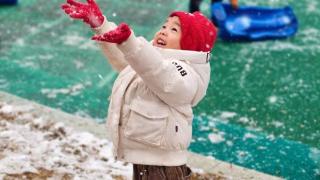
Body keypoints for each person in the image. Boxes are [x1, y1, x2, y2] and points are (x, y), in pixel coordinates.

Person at [61, 0, 217, 179]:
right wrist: (102, 25)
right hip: (146, 155)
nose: (164, 30)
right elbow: (129, 60)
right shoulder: (150, 59)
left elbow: (159, 72)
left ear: (190, 43)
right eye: (164, 25)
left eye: (174, 29)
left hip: (163, 164)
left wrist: (130, 43)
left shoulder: (185, 73)